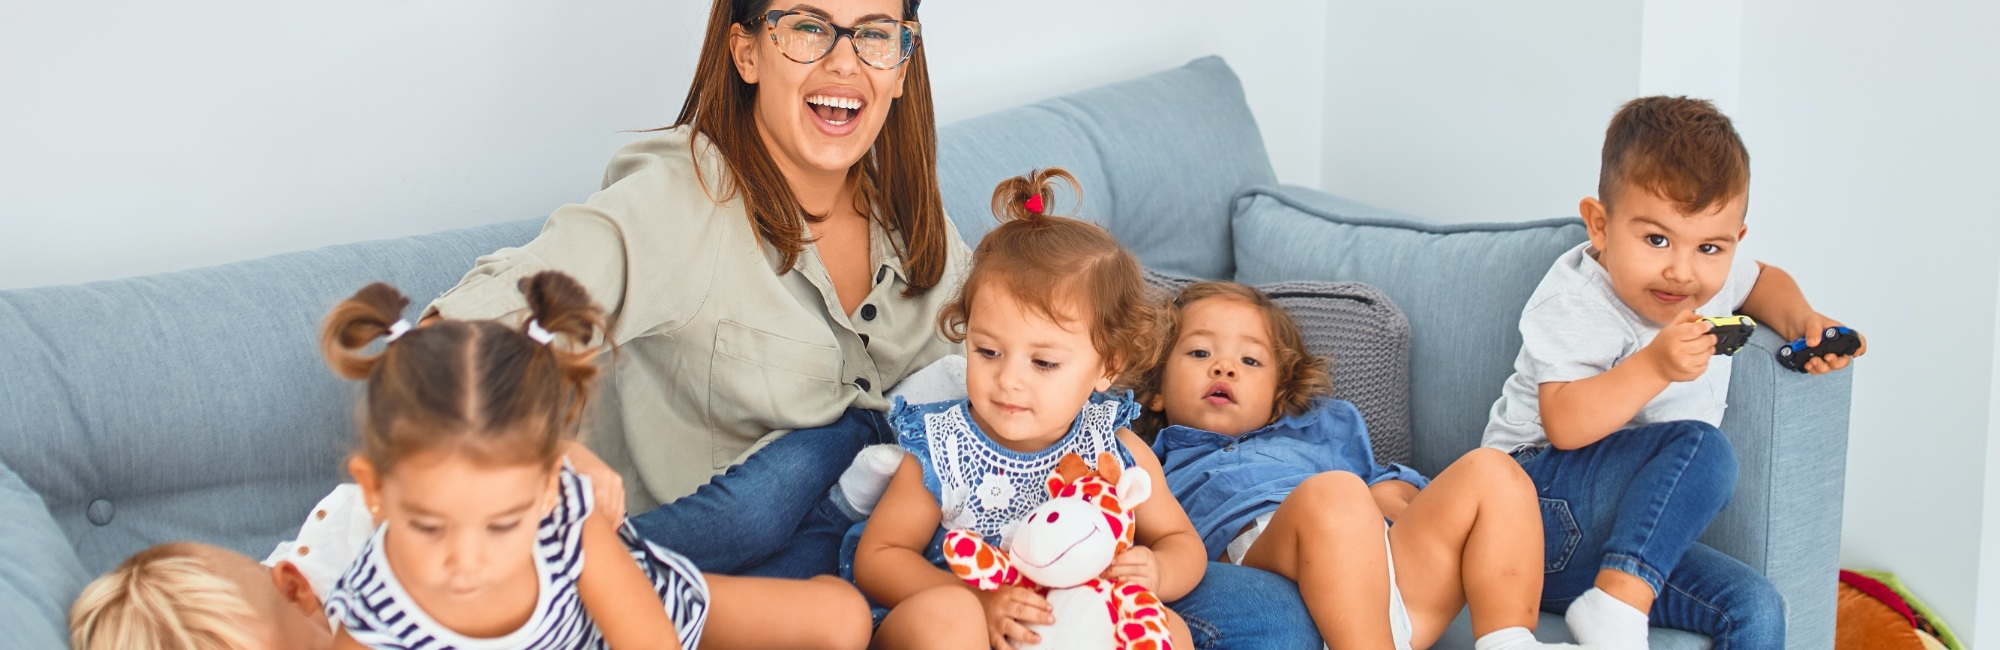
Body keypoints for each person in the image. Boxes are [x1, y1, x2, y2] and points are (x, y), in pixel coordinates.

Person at [420, 0, 964, 582]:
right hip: (682, 586)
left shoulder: (915, 223)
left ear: (901, 68)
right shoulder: (680, 202)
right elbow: (446, 344)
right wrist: (548, 459)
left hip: (881, 580)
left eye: (874, 36)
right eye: (809, 27)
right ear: (747, 53)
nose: (844, 63)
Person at [1482, 96, 1867, 650]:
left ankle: (1618, 598)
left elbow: (1764, 283)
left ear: (1734, 241)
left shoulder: (1715, 275)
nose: (1681, 271)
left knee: (1754, 607)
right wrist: (1655, 365)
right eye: (1656, 239)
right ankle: (1615, 609)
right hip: (1527, 515)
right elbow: (1564, 423)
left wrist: (1804, 319)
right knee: (1701, 447)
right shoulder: (1574, 298)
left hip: (1617, 544)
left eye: (1710, 246)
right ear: (1600, 224)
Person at [320, 272, 869, 649]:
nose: (467, 560)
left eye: (504, 524)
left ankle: (844, 499)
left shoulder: (565, 519)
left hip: (651, 610)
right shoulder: (373, 611)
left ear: (548, 488)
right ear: (373, 491)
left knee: (844, 621)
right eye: (429, 527)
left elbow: (648, 638)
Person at [852, 169, 1207, 650]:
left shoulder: (1113, 450)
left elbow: (1182, 543)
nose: (1009, 379)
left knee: (1171, 629)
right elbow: (879, 557)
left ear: (1108, 366)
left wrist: (1158, 571)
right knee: (947, 618)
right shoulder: (945, 449)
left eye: (1043, 362)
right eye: (987, 352)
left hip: (1066, 628)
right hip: (963, 625)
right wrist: (977, 602)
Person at [1136, 281, 1575, 650]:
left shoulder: (1322, 430)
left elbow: (1383, 483)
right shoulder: (1150, 459)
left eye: (1250, 361)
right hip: (1274, 578)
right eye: (1198, 353)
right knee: (1334, 494)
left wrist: (1393, 493)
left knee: (1493, 469)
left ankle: (1509, 640)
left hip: (1390, 579)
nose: (1224, 368)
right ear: (1155, 390)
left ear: (1277, 395)